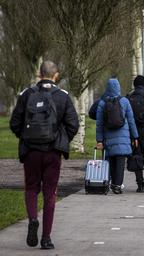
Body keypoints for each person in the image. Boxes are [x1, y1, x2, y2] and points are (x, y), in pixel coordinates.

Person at [10, 61, 79, 249]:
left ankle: (33, 218)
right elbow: (73, 124)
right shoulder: (62, 97)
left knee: (31, 188)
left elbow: (14, 123)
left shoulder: (27, 94)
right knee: (50, 193)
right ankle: (46, 238)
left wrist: (26, 137)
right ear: (56, 75)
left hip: (31, 151)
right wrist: (61, 140)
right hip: (52, 152)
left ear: (40, 75)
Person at [96, 78, 138, 194]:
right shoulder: (124, 101)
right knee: (120, 162)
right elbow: (131, 121)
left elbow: (99, 124)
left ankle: (109, 182)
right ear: (118, 88)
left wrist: (99, 140)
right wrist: (135, 136)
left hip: (108, 138)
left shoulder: (102, 103)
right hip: (123, 138)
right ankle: (117, 185)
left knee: (109, 161)